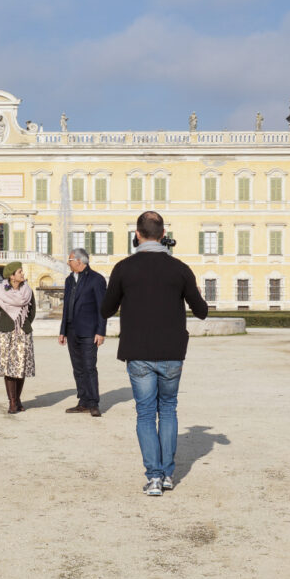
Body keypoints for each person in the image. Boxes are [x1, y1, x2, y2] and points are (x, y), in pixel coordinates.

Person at [101, 211, 208, 496]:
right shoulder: (180, 268)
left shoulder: (123, 268)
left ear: (136, 235)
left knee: (146, 413)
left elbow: (106, 310)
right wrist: (193, 291)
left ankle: (155, 477)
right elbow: (202, 311)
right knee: (169, 409)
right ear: (163, 236)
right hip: (171, 352)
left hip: (138, 352)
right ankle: (169, 474)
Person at [59, 248, 107, 417]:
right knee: (78, 368)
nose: (68, 263)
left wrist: (101, 331)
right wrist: (62, 330)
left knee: (89, 367)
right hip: (72, 330)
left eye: (70, 260)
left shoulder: (97, 279)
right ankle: (83, 401)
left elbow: (103, 308)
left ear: (79, 261)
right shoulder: (69, 280)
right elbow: (66, 306)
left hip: (89, 331)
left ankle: (94, 403)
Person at [0, 262, 36, 414]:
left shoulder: (28, 291)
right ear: (12, 276)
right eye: (20, 272)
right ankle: (12, 402)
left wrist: (23, 325)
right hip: (6, 335)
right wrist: (3, 329)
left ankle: (18, 399)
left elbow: (32, 312)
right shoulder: (0, 292)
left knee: (21, 368)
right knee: (9, 369)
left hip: (23, 334)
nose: (23, 274)